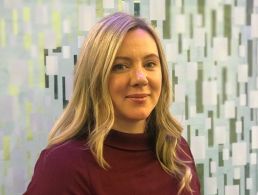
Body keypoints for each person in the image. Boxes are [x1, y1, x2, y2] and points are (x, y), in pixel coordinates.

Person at [24, 12, 200, 195]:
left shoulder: (177, 151)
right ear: (95, 77)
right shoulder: (62, 165)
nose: (140, 78)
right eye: (120, 66)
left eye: (149, 64)